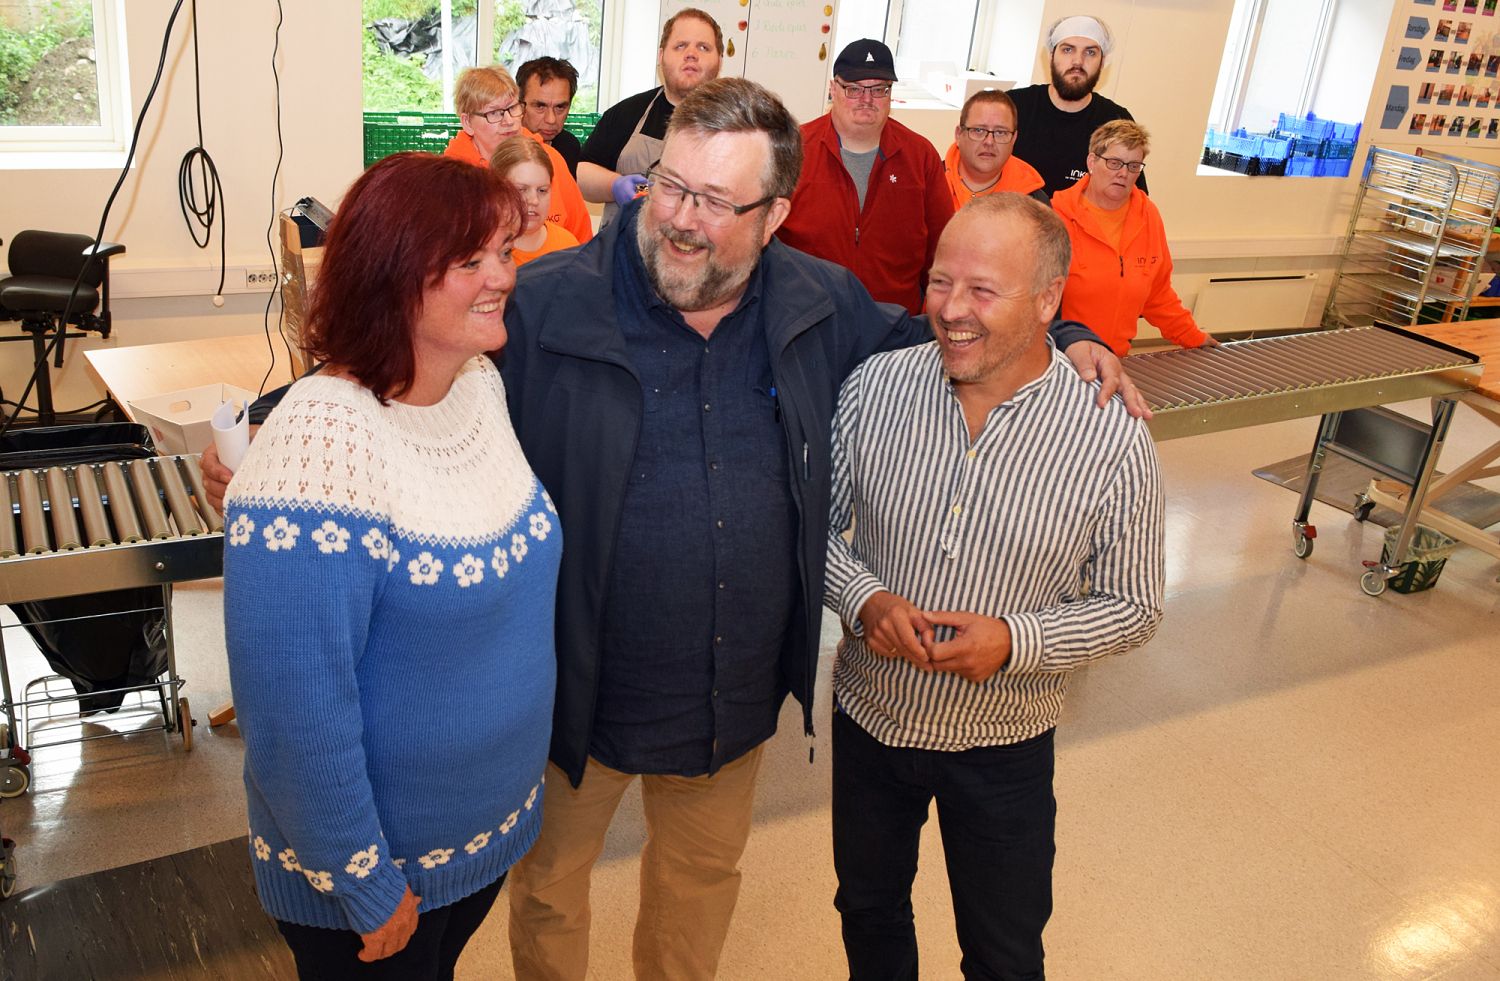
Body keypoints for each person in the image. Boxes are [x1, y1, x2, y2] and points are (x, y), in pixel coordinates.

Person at [201, 78, 1143, 981]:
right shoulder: (545, 300)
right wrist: (276, 428)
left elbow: (944, 329)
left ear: (775, 216)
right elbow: (405, 351)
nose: (684, 219)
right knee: (551, 895)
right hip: (574, 695)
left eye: (718, 202)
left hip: (728, 699)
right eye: (672, 187)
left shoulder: (819, 303)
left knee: (697, 887)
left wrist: (1069, 335)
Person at [221, 153, 560, 980]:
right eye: (470, 260)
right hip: (377, 883)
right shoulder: (319, 448)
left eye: (504, 251)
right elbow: (294, 716)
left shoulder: (476, 386)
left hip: (475, 845)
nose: (502, 277)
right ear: (393, 276)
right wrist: (365, 884)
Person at [824, 192, 1164, 981]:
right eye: (941, 282)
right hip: (871, 720)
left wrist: (1015, 640)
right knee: (869, 909)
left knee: (1005, 952)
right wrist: (865, 597)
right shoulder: (875, 388)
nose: (950, 310)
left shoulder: (1109, 436)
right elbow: (814, 528)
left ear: (1048, 300)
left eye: (982, 290)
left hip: (1004, 743)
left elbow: (1135, 605)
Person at [776, 39, 955, 314]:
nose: (867, 100)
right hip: (807, 319)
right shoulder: (794, 149)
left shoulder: (920, 157)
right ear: (833, 89)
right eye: (854, 89)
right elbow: (764, 240)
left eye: (879, 89)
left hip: (895, 324)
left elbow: (942, 249)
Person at [1053, 120, 1216, 355]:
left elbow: (1158, 294)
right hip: (1061, 357)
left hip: (1118, 359)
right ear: (1091, 162)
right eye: (1114, 163)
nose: (1123, 173)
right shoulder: (1055, 217)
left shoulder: (1148, 216)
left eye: (1133, 166)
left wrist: (1194, 337)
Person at [576, 7, 723, 226]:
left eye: (703, 47)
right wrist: (614, 185)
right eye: (680, 46)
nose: (691, 54)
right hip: (625, 244)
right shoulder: (626, 113)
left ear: (719, 60)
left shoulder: (737, 127)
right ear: (661, 56)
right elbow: (581, 173)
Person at [444, 65, 593, 245]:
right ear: (467, 122)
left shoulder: (550, 159)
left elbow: (582, 237)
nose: (509, 121)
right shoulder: (451, 179)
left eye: (512, 108)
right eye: (494, 113)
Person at [1008, 15, 1145, 198]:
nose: (1078, 61)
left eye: (1090, 52)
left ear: (1102, 62)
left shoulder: (1115, 120)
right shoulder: (1012, 107)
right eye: (1067, 50)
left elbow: (1133, 199)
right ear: (1051, 56)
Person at [943, 88, 1048, 209]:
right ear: (958, 135)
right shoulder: (931, 183)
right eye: (979, 130)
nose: (989, 142)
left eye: (1000, 132)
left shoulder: (1035, 204)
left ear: (1014, 139)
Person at [491, 135, 580, 266]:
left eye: (542, 190)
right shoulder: (480, 249)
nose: (534, 200)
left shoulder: (567, 246)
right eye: (521, 190)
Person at [517, 57, 582, 176]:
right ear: (519, 104)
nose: (551, 120)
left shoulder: (568, 146)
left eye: (560, 107)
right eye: (540, 106)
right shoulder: (500, 147)